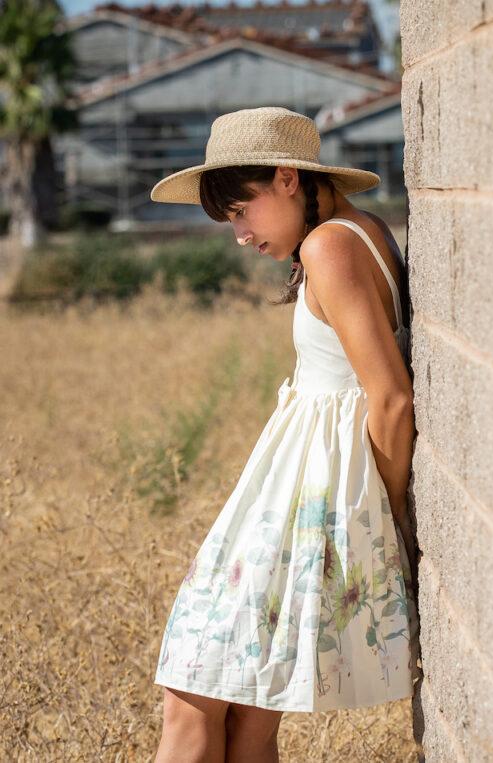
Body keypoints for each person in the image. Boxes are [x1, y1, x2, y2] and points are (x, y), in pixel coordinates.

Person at [146, 106, 423, 761]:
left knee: (190, 698)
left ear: (287, 178)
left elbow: (390, 398)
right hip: (299, 501)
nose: (240, 234)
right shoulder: (360, 230)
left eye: (242, 210)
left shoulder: (330, 246)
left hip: (309, 509)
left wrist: (389, 516)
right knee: (245, 718)